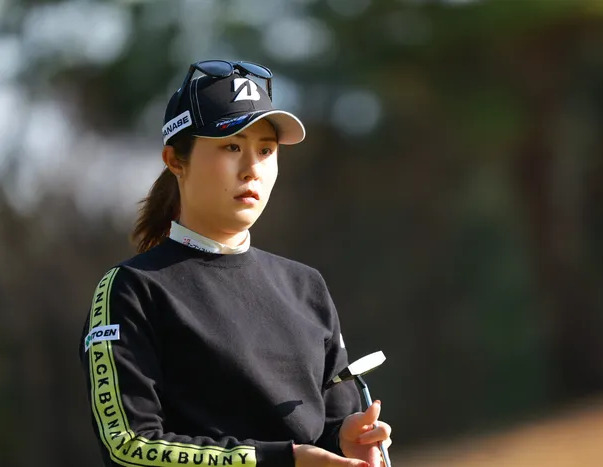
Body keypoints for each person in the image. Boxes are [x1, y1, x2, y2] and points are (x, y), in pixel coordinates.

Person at [78, 60, 392, 467]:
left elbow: (327, 429)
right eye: (231, 147)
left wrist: (345, 442)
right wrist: (283, 460)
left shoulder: (306, 286)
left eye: (266, 150)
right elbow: (128, 446)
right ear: (175, 160)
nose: (252, 169)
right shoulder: (131, 290)